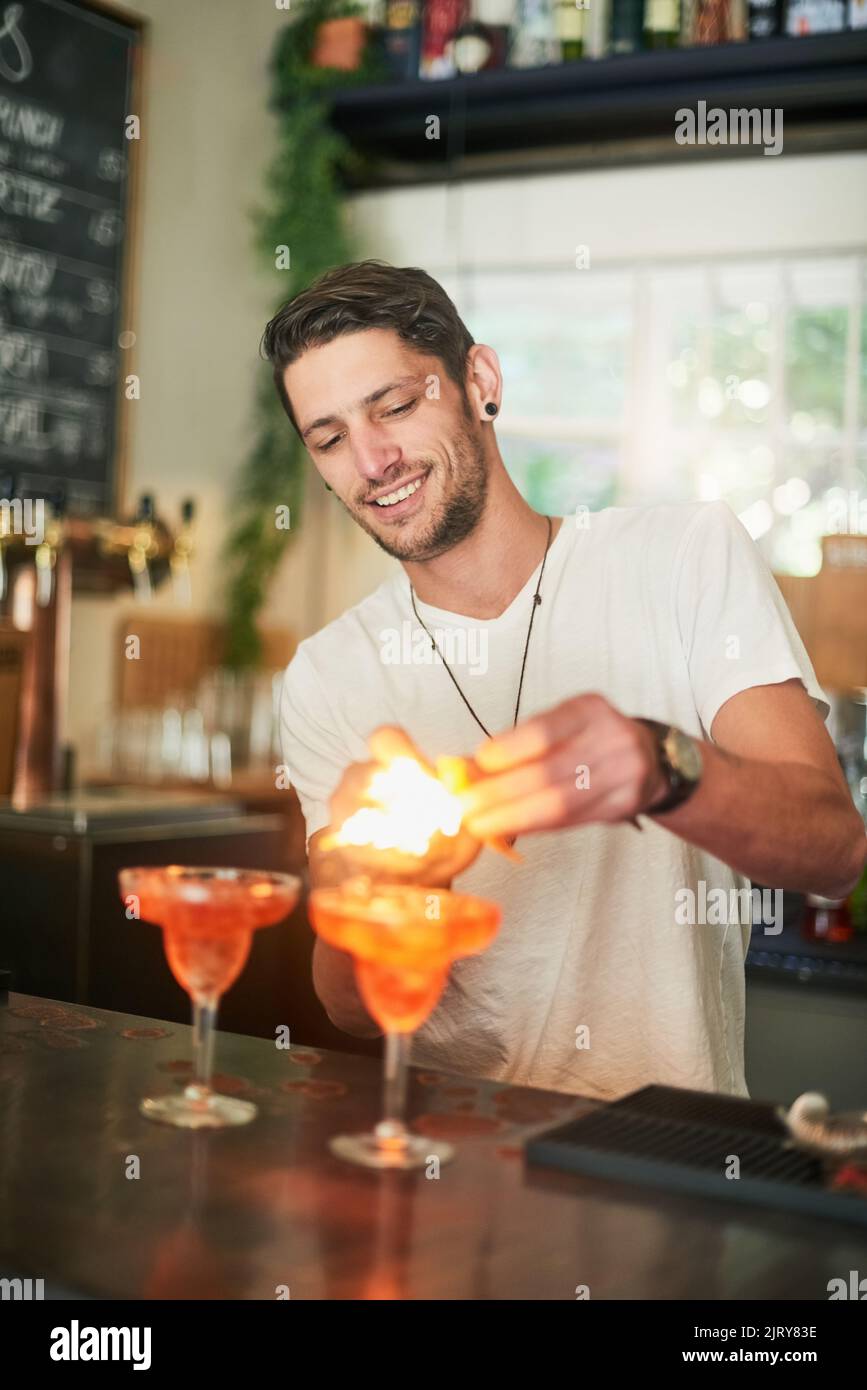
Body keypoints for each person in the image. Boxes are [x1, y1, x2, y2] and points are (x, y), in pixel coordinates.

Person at [265, 259, 865, 1101]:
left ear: (479, 381)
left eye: (395, 405)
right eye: (328, 439)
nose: (371, 460)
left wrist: (662, 767)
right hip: (453, 1166)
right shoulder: (328, 675)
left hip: (668, 1158)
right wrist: (391, 886)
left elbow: (833, 853)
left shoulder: (684, 558)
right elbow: (350, 1011)